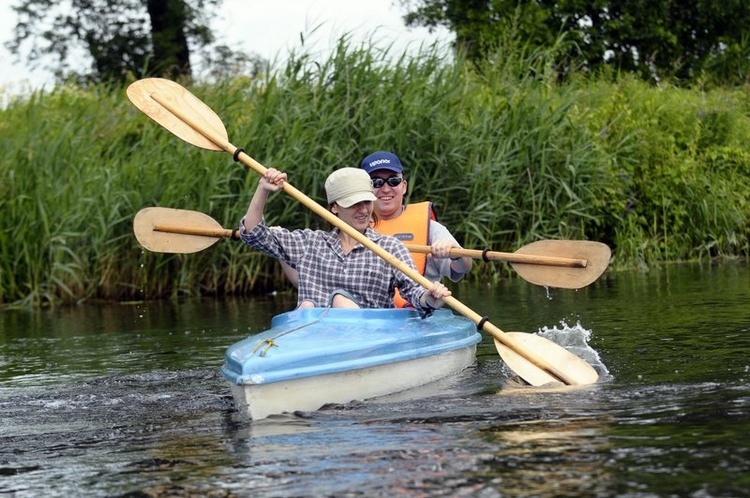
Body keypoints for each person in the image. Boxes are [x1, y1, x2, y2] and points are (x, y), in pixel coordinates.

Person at [240, 166, 451, 313]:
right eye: (354, 204)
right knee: (307, 306)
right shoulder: (309, 243)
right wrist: (263, 190)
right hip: (313, 339)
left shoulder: (390, 248)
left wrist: (431, 298)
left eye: (367, 202)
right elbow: (253, 234)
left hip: (368, 340)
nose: (363, 210)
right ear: (334, 207)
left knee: (341, 301)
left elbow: (415, 293)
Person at [360, 151, 472, 306]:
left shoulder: (431, 228)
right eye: (376, 182)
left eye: (393, 181)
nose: (386, 189)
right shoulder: (353, 228)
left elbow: (461, 269)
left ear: (404, 186)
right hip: (369, 317)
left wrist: (456, 255)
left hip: (418, 317)